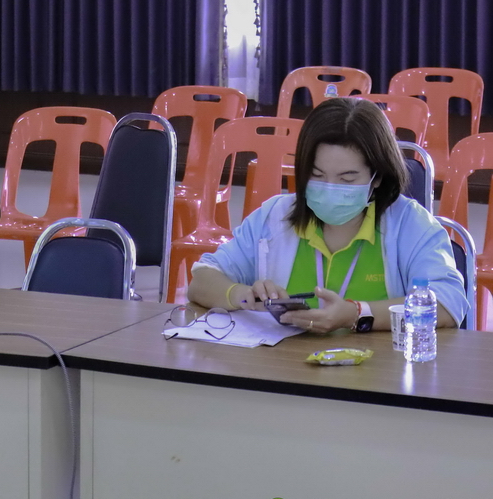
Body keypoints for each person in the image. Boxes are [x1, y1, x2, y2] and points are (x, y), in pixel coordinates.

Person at [187, 97, 468, 333]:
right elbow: (202, 280)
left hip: (380, 372)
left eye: (347, 179)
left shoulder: (410, 223)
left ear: (378, 177)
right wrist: (242, 295)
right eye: (317, 175)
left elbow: (448, 304)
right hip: (285, 369)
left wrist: (357, 314)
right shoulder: (274, 216)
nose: (330, 188)